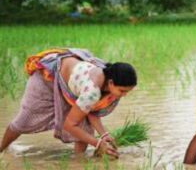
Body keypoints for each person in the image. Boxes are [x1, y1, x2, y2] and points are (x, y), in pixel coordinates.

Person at [0, 48, 137, 158]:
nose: (124, 95)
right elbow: (70, 125)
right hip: (47, 78)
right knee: (25, 120)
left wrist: (103, 134)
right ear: (111, 82)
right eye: (122, 91)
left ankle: (78, 163)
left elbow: (91, 110)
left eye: (128, 92)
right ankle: (1, 149)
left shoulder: (109, 77)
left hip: (70, 82)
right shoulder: (91, 91)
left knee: (85, 126)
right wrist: (98, 143)